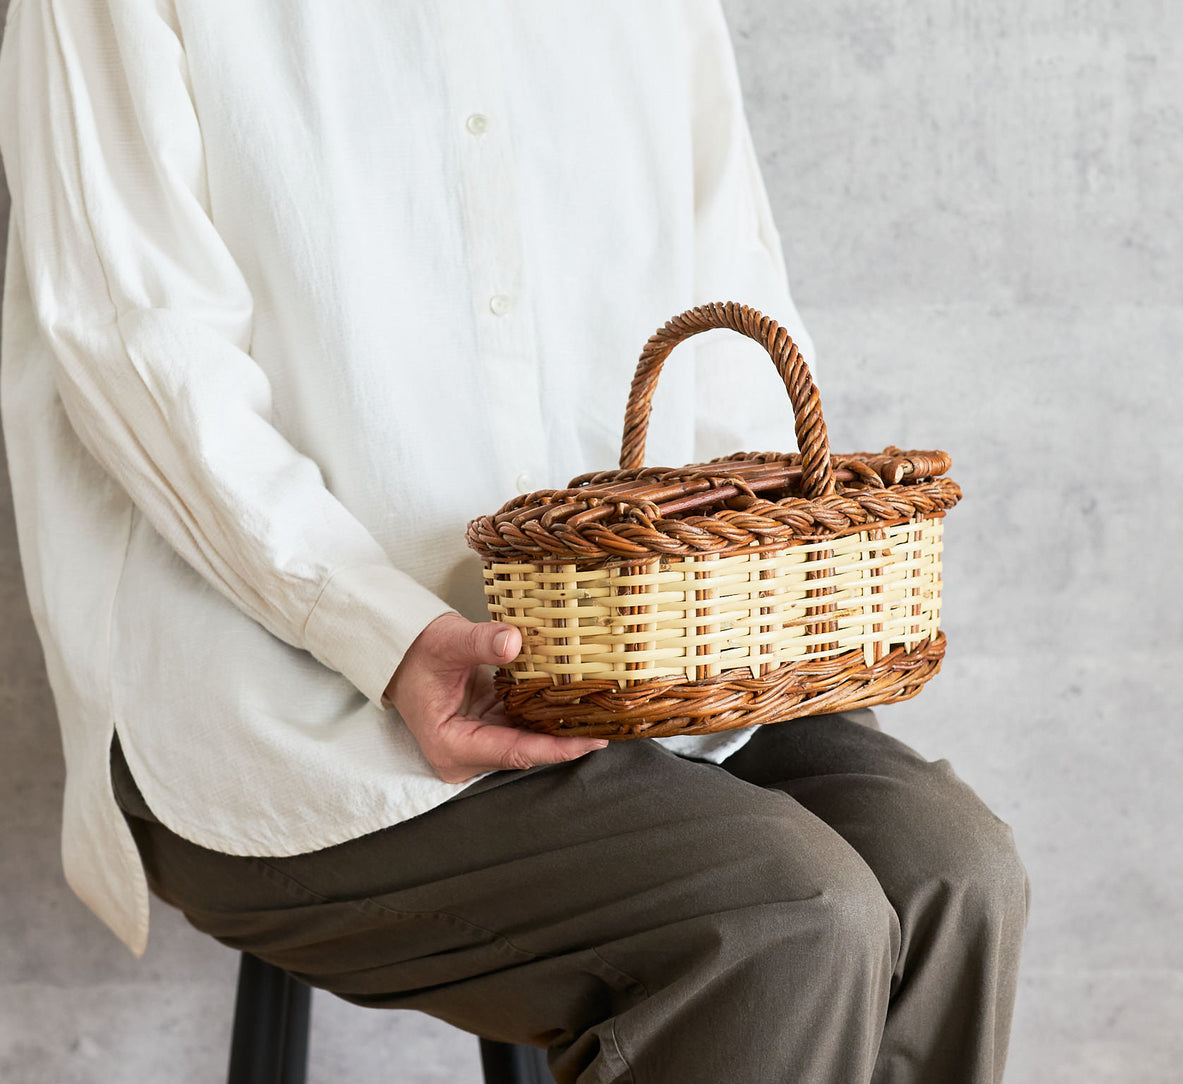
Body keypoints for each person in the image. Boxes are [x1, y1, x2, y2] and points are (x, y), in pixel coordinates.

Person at [0, 2, 1028, 1080]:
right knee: (780, 913)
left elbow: (728, 293)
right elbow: (140, 356)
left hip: (639, 667)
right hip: (289, 702)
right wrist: (384, 633)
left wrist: (747, 584)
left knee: (950, 871)